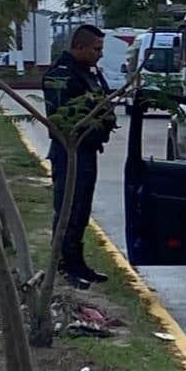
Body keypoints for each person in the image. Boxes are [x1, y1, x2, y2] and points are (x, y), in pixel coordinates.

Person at [42, 25, 117, 290]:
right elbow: (64, 118)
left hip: (87, 151)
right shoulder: (61, 75)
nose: (99, 54)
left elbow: (103, 103)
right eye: (96, 49)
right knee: (67, 209)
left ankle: (77, 262)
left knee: (82, 209)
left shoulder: (89, 72)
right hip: (68, 151)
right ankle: (63, 265)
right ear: (79, 47)